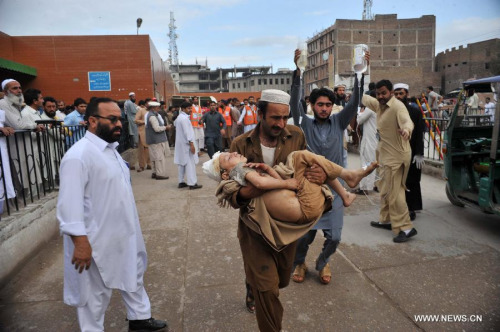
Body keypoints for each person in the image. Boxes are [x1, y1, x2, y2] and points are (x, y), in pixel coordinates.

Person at [56, 97, 167, 332]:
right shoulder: (79, 156)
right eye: (113, 119)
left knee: (133, 274)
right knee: (93, 296)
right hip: (95, 240)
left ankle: (140, 319)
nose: (119, 124)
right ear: (93, 121)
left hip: (123, 232)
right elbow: (69, 205)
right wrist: (81, 242)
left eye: (119, 118)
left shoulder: (112, 151)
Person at [229, 89, 325, 332]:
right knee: (268, 290)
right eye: (275, 118)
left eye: (285, 117)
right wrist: (250, 191)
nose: (281, 124)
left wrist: (319, 175)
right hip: (254, 228)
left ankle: (252, 283)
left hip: (286, 228)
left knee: (281, 280)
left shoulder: (296, 135)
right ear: (260, 114)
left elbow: (306, 168)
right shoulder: (240, 144)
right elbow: (230, 193)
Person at [290, 49, 364, 285]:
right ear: (312, 105)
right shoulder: (304, 122)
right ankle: (299, 262)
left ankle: (322, 263)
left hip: (335, 190)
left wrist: (359, 74)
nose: (324, 108)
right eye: (320, 104)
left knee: (335, 237)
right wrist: (298, 73)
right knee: (303, 236)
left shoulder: (339, 122)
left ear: (333, 106)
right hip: (309, 189)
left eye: (328, 105)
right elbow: (294, 102)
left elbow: (354, 104)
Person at [204, 150, 377, 219]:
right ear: (225, 174)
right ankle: (348, 178)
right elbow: (261, 184)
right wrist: (287, 183)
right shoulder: (239, 171)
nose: (233, 152)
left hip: (304, 207)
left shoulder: (241, 173)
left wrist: (268, 170)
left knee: (309, 162)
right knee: (300, 156)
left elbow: (272, 183)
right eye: (228, 157)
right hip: (305, 206)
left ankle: (346, 191)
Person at [363, 80, 418, 243]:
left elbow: (408, 122)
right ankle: (386, 220)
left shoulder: (397, 106)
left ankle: (407, 228)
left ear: (391, 92)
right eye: (378, 93)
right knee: (385, 190)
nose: (380, 96)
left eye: (383, 93)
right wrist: (359, 76)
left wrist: (407, 131)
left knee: (396, 194)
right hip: (385, 157)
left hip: (397, 157)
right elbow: (364, 98)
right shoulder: (379, 105)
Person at [394, 83, 425, 221]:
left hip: (411, 152)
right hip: (395, 152)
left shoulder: (415, 111)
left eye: (401, 93)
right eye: (396, 94)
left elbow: (419, 134)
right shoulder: (391, 110)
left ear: (406, 93)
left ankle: (411, 208)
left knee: (411, 180)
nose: (398, 96)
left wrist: (419, 153)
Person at [174, 101, 202, 190]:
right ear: (183, 109)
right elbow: (187, 133)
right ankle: (192, 183)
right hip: (187, 144)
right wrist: (191, 144)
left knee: (182, 163)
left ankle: (181, 182)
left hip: (181, 144)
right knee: (190, 164)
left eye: (191, 108)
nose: (190, 110)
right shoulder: (184, 119)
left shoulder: (179, 118)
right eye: (188, 108)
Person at [355, 103, 377, 194]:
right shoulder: (380, 107)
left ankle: (364, 188)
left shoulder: (370, 108)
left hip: (369, 140)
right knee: (373, 162)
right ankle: (372, 185)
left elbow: (359, 120)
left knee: (366, 163)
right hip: (375, 139)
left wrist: (360, 112)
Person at [146, 101, 170, 180]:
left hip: (152, 140)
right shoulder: (152, 116)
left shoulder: (150, 115)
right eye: (157, 107)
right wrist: (165, 127)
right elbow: (156, 128)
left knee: (154, 157)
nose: (158, 109)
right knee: (159, 158)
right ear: (153, 108)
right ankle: (159, 174)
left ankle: (155, 172)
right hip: (156, 140)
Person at [135, 100, 152, 172]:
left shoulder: (152, 111)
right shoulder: (141, 111)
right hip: (142, 132)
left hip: (151, 133)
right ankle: (141, 166)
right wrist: (144, 122)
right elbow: (136, 120)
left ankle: (149, 164)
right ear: (145, 104)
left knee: (150, 149)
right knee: (142, 150)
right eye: (148, 103)